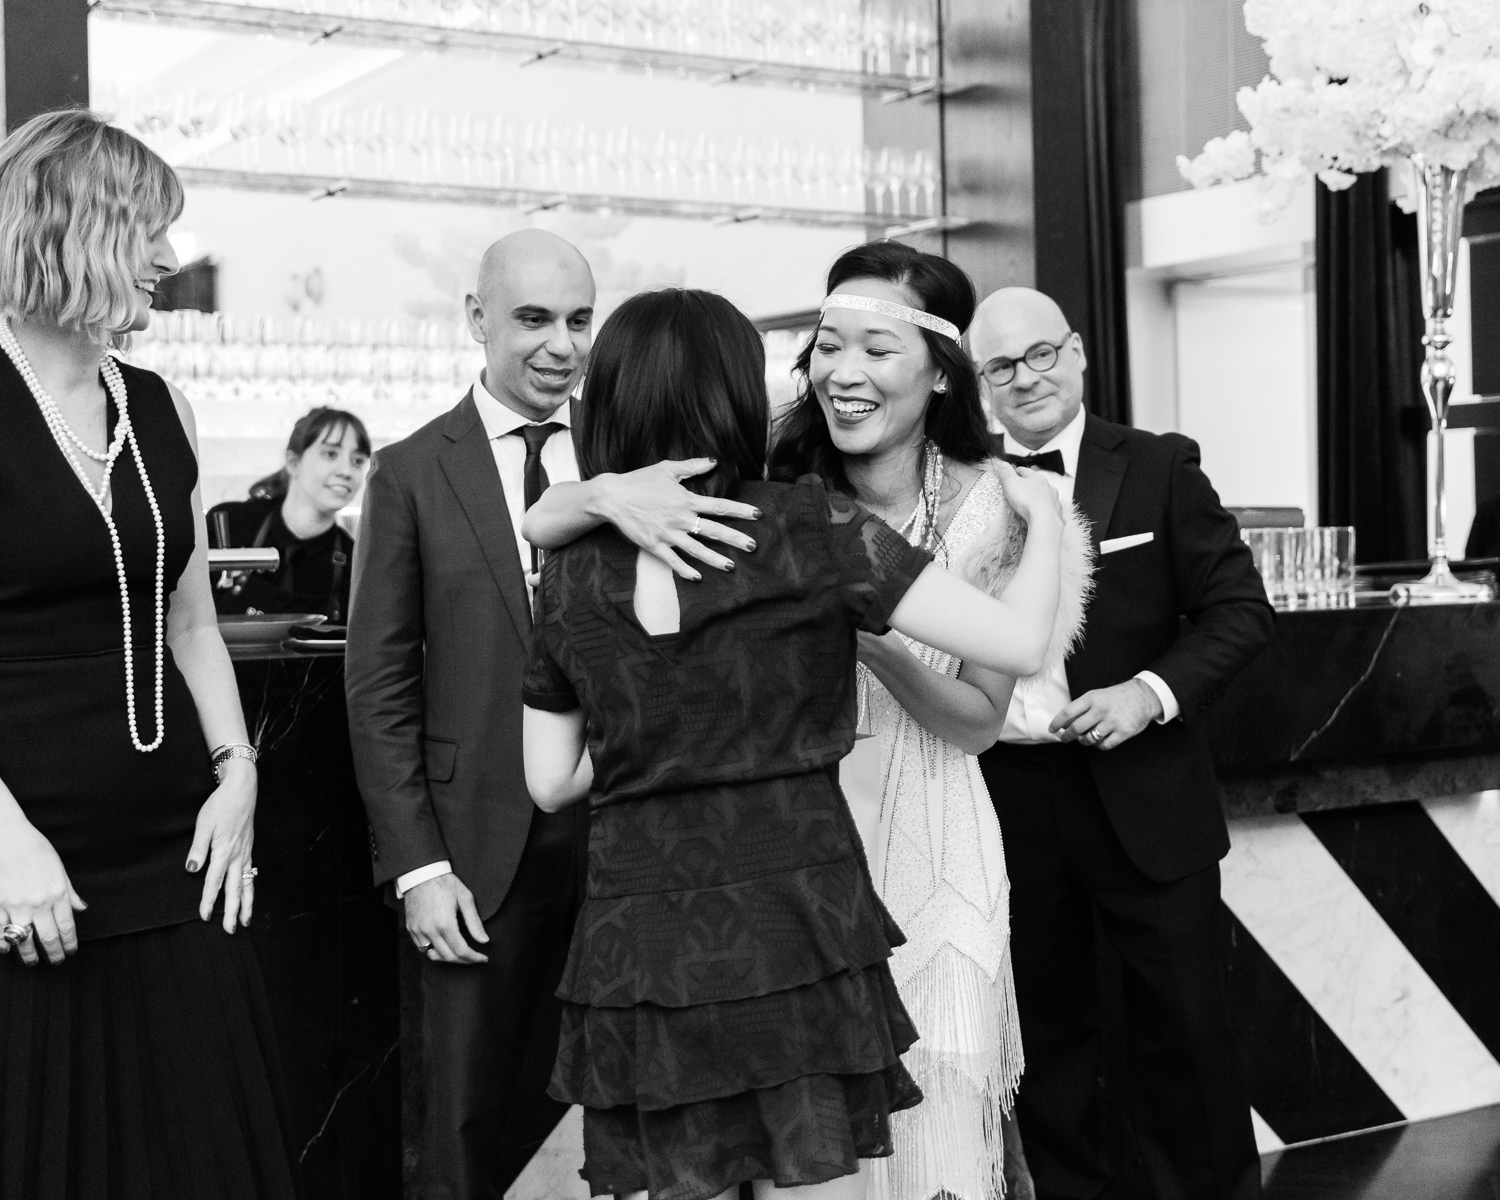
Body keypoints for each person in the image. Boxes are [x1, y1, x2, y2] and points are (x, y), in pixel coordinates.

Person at [520, 286, 1068, 1200]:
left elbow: (548, 781)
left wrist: (647, 743)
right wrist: (1045, 521)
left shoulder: (568, 573)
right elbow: (1015, 644)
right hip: (797, 920)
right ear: (739, 397)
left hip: (640, 940)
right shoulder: (814, 529)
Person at [344, 230, 756, 1199]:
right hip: (477, 849)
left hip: (636, 835)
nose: (561, 345)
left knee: (648, 1108)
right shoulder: (409, 471)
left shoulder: (639, 456)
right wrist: (420, 870)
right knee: (465, 1124)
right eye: (533, 319)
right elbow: (379, 686)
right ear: (477, 319)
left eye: (579, 320)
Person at [0, 110, 296, 1197]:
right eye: (148, 231)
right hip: (27, 860)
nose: (171, 259)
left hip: (177, 851)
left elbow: (192, 626)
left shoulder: (162, 405)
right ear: (70, 229)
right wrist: (5, 843)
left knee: (204, 1156)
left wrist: (239, 770)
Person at [766, 242, 1093, 1200]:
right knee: (815, 1141)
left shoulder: (1002, 507)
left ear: (941, 371)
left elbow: (981, 722)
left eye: (878, 349)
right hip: (793, 838)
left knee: (938, 1131)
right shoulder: (773, 490)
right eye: (829, 346)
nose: (844, 372)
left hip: (938, 838)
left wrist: (878, 645)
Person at [970, 287, 1274, 1200]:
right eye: (1000, 366)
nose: (1026, 378)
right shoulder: (957, 483)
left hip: (1144, 792)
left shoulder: (1158, 464)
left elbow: (1239, 612)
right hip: (1006, 798)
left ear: (1077, 352)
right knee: (1047, 1045)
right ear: (979, 383)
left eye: (1041, 354)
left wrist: (1149, 694)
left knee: (1185, 1035)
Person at [208, 406, 371, 622]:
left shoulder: (356, 564)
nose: (346, 471)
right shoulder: (229, 524)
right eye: (331, 454)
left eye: (358, 461)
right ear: (294, 462)